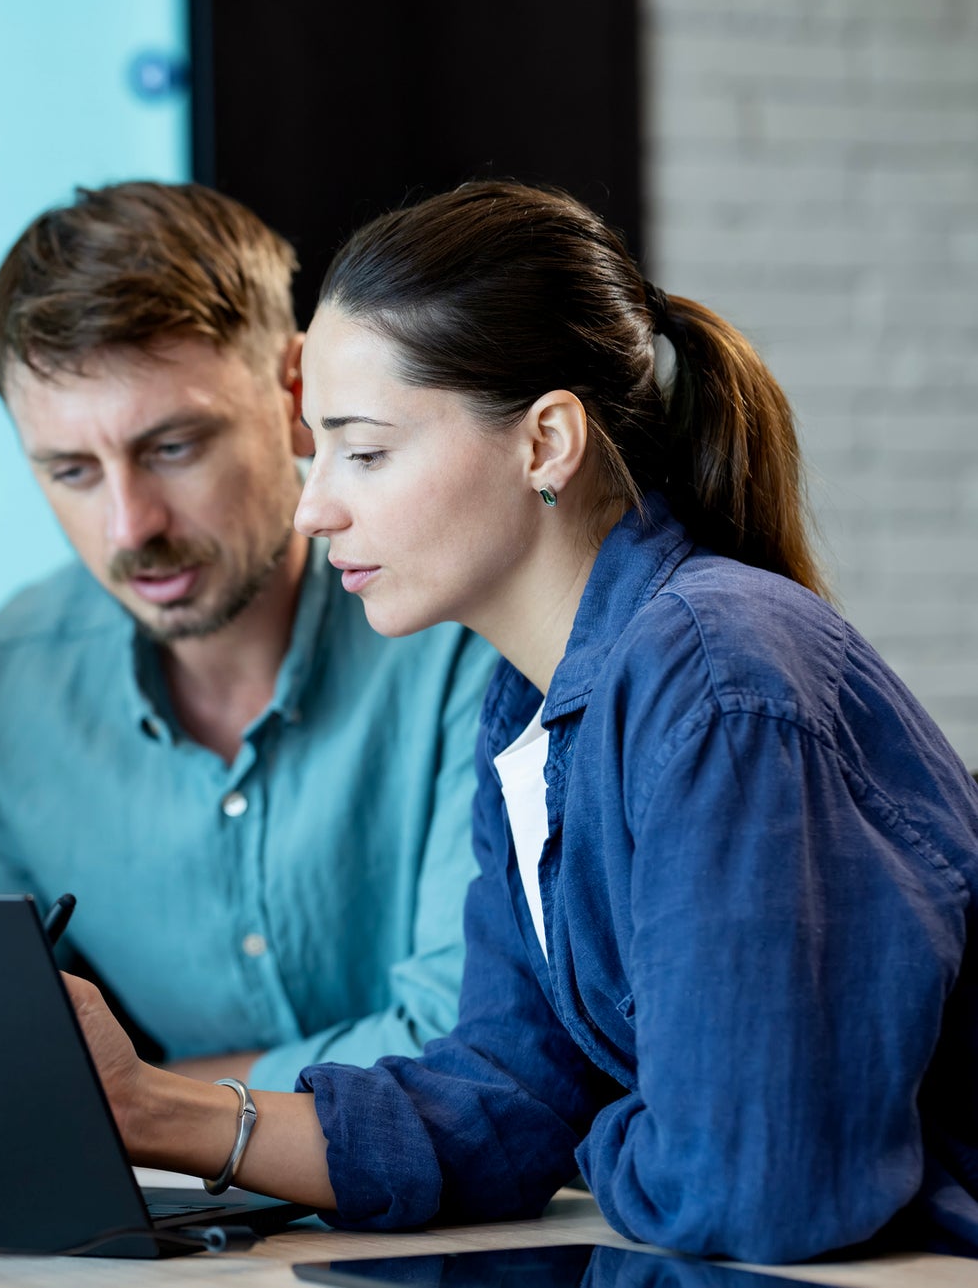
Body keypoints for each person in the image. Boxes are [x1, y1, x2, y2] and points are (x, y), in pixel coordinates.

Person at [64, 181, 978, 1263]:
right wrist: (146, 1104)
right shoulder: (530, 706)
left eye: (362, 451)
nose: (314, 507)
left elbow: (750, 1181)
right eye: (315, 452)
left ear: (545, 441)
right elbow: (497, 1098)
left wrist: (587, 1133)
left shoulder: (709, 669)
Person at [0, 182, 497, 1089]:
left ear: (297, 387)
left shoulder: (466, 629)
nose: (128, 526)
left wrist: (146, 1102)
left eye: (173, 447)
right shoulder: (13, 681)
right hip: (173, 1221)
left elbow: (469, 1043)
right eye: (71, 470)